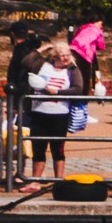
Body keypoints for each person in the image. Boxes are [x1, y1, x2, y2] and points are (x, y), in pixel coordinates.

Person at [24, 40, 76, 172]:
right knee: (38, 148)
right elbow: (25, 62)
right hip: (39, 112)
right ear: (54, 57)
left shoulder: (72, 70)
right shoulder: (43, 65)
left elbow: (78, 89)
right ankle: (36, 179)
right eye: (62, 55)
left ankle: (58, 180)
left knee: (57, 149)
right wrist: (42, 49)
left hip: (60, 114)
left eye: (68, 55)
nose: (66, 58)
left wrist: (58, 92)